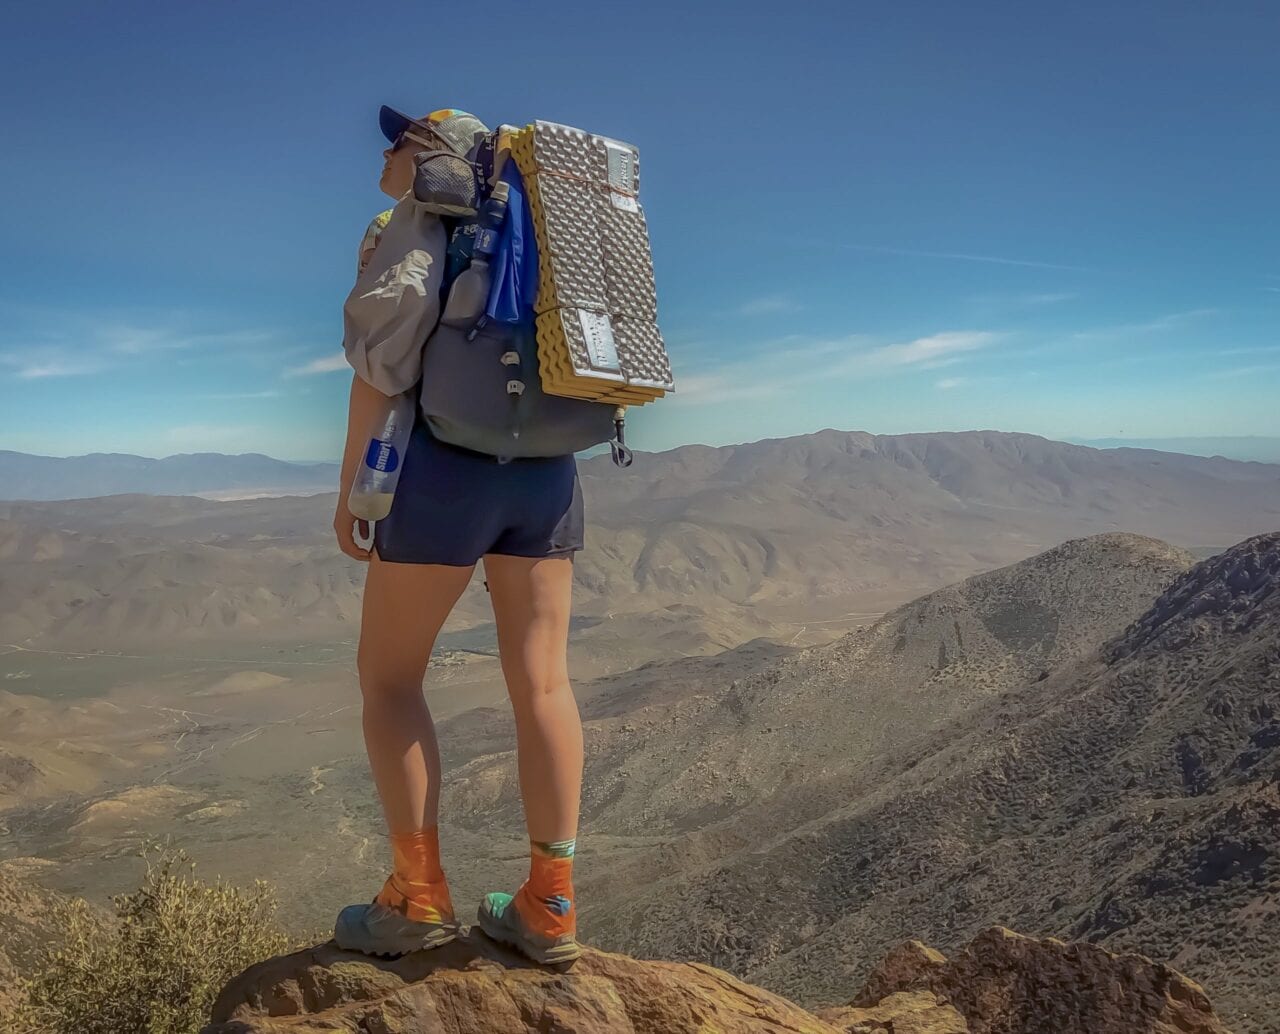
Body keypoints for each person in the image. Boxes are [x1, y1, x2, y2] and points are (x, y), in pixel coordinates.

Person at [331, 106, 585, 966]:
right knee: (544, 684)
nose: (384, 147)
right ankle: (550, 904)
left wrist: (352, 495)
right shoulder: (544, 220)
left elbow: (381, 373)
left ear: (427, 154)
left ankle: (419, 897)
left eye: (397, 138)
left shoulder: (406, 226)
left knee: (389, 681)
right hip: (549, 470)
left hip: (443, 472)